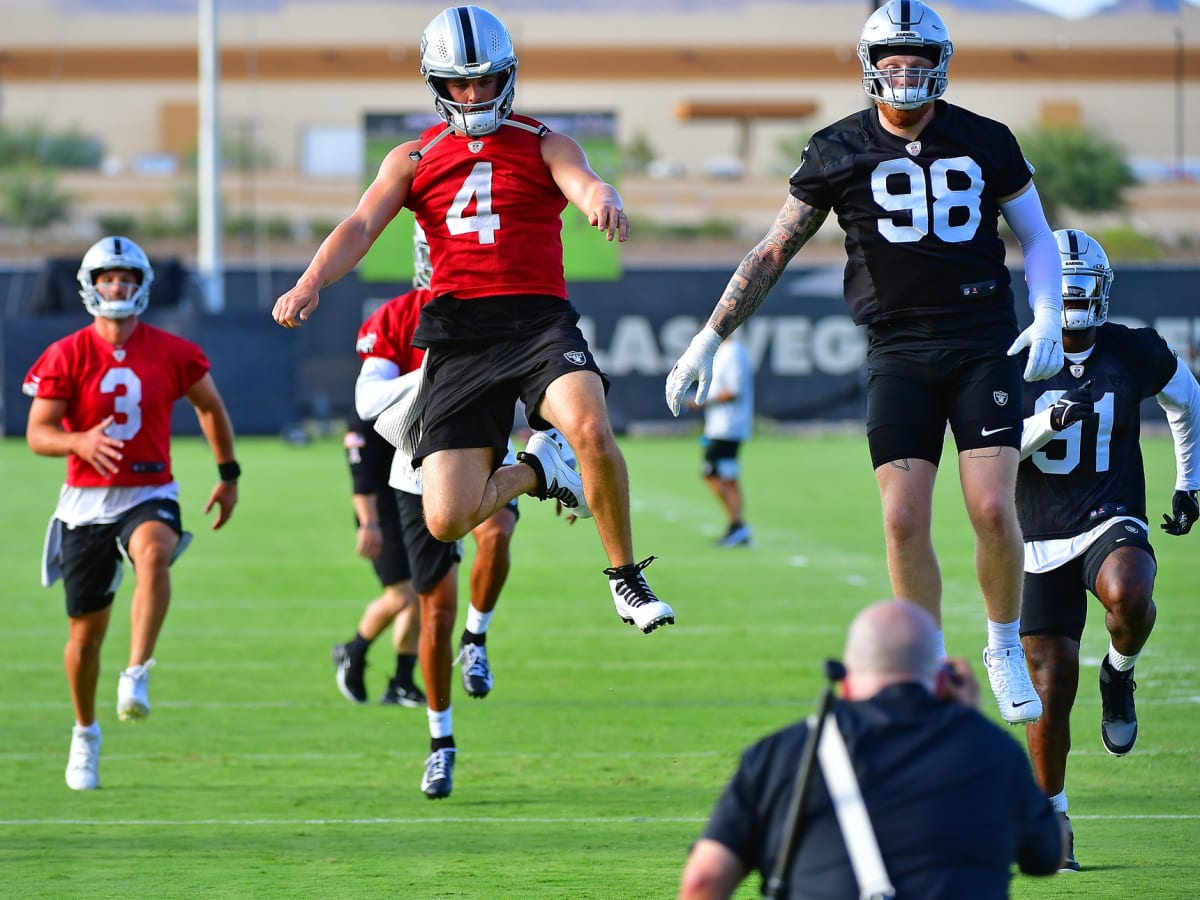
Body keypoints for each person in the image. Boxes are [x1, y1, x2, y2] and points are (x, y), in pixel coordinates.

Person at [665, 0, 1061, 723]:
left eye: (916, 60)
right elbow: (772, 252)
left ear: (940, 65)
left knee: (992, 506)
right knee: (903, 521)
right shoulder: (836, 148)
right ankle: (930, 665)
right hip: (899, 349)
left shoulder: (985, 138)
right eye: (891, 60)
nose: (903, 74)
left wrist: (1048, 313)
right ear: (869, 65)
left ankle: (1003, 643)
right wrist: (708, 338)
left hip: (981, 343)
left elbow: (1036, 236)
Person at [272, 4, 674, 636]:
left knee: (591, 426)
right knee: (448, 518)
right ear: (437, 85)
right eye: (461, 82)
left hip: (539, 322)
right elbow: (360, 225)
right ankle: (541, 467)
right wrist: (310, 280)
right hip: (457, 334)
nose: (475, 93)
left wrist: (606, 200)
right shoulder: (411, 157)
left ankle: (625, 578)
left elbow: (585, 181)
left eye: (486, 79)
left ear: (507, 76)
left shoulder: (546, 141)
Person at [23, 235, 240, 791]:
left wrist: (228, 474)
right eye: (106, 278)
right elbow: (38, 433)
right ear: (90, 286)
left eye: (125, 278)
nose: (116, 287)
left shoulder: (172, 350)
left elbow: (210, 406)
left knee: (153, 552)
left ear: (141, 286)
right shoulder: (66, 353)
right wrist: (79, 443)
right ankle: (85, 732)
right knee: (83, 637)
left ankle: (137, 673)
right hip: (86, 501)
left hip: (149, 490)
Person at [1014, 228, 1200, 871]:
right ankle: (1053, 820)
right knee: (1049, 687)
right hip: (1035, 536)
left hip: (1109, 515)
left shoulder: (1132, 349)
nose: (1073, 300)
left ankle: (1119, 674)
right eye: (1063, 288)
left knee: (1130, 593)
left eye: (1082, 287)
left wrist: (1189, 483)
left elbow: (1188, 398)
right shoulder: (1010, 357)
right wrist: (1047, 422)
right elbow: (991, 448)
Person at [678, 599, 1065, 900]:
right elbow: (1049, 854)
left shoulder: (783, 753)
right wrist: (970, 721)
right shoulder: (992, 751)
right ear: (942, 680)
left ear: (844, 679)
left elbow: (704, 879)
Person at [352, 227, 521, 798]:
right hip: (413, 469)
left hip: (485, 452)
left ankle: (477, 640)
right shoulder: (396, 316)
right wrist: (441, 381)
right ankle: (440, 742)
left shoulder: (502, 307)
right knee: (433, 613)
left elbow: (540, 384)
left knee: (496, 531)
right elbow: (368, 400)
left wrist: (558, 441)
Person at [331, 410, 426, 708]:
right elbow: (361, 478)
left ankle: (401, 682)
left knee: (421, 593)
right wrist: (368, 524)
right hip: (383, 516)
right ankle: (353, 652)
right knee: (402, 594)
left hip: (416, 507)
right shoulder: (363, 415)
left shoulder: (414, 398)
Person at [687, 333, 754, 547]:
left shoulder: (733, 352)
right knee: (722, 475)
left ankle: (738, 524)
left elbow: (733, 391)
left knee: (716, 475)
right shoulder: (723, 353)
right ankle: (737, 525)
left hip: (728, 426)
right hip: (720, 426)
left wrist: (702, 402)